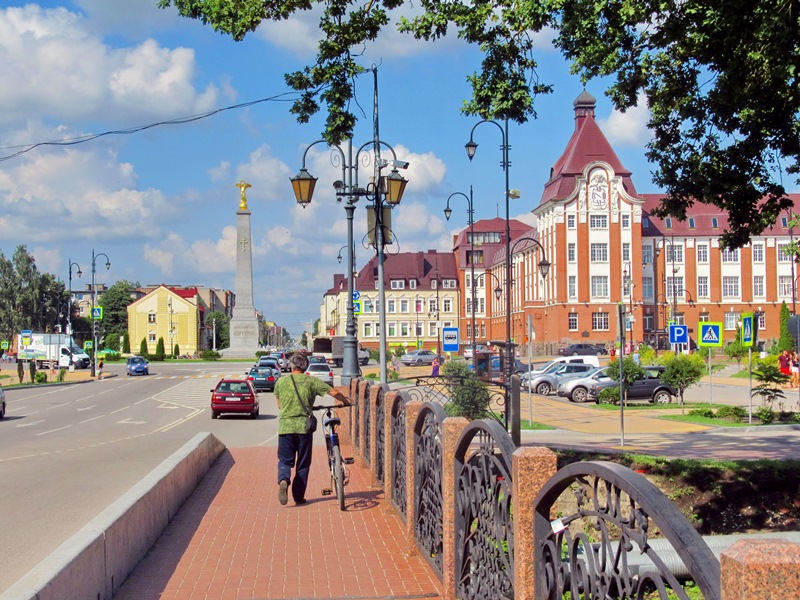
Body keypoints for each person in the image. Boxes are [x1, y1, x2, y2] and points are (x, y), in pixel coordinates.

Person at [274, 352, 347, 506]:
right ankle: (298, 497)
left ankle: (283, 480)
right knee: (303, 463)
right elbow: (334, 392)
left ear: (292, 366)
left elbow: (280, 405)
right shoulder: (311, 381)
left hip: (285, 428)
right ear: (305, 366)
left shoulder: (281, 382)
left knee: (285, 460)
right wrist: (345, 401)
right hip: (304, 429)